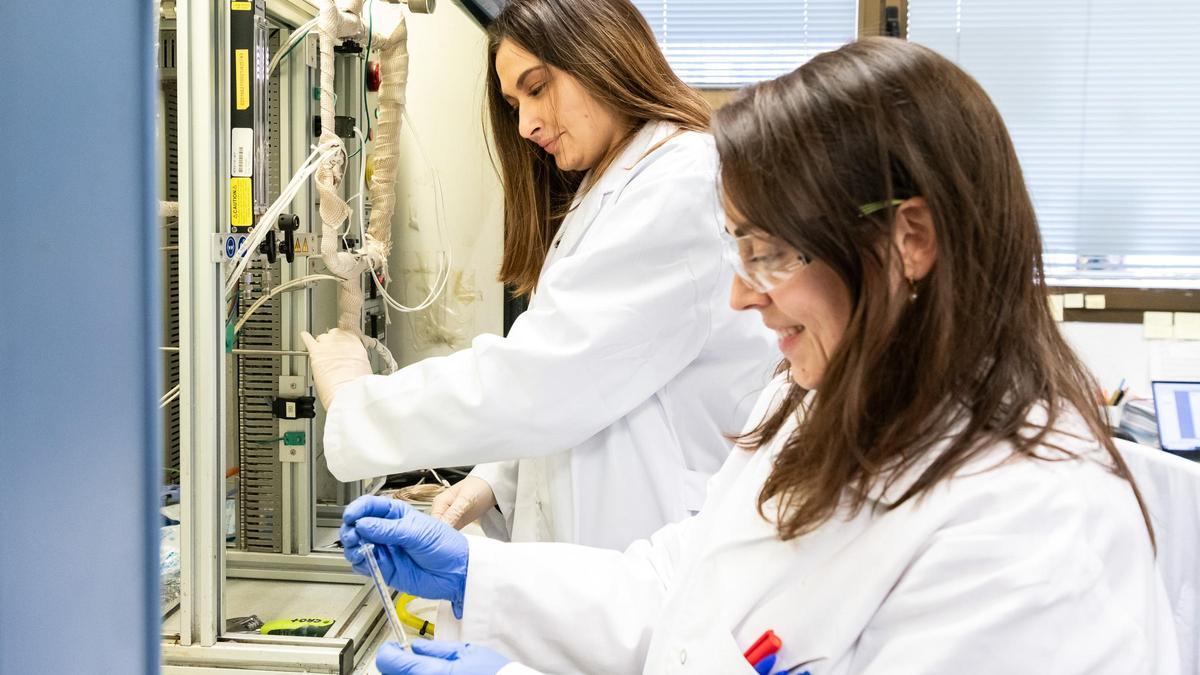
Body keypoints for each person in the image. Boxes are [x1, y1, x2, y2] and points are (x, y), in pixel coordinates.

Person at [337, 38, 1180, 674]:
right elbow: (689, 586)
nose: (742, 296)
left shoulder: (1031, 537)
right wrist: (482, 577)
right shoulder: (817, 404)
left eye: (772, 254)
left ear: (909, 237)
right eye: (739, 251)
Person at [302, 0, 773, 550]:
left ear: (602, 55)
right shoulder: (612, 184)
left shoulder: (681, 183)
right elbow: (591, 386)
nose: (525, 125)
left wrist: (359, 401)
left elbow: (550, 376)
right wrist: (493, 480)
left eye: (537, 87)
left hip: (657, 543)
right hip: (608, 550)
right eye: (513, 102)